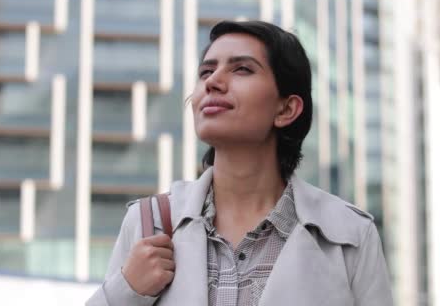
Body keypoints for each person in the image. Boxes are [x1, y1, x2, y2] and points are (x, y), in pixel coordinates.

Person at [87, 20, 393, 306]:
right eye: (206, 72)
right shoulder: (148, 222)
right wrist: (127, 289)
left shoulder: (349, 235)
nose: (213, 82)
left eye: (242, 69)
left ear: (287, 109)